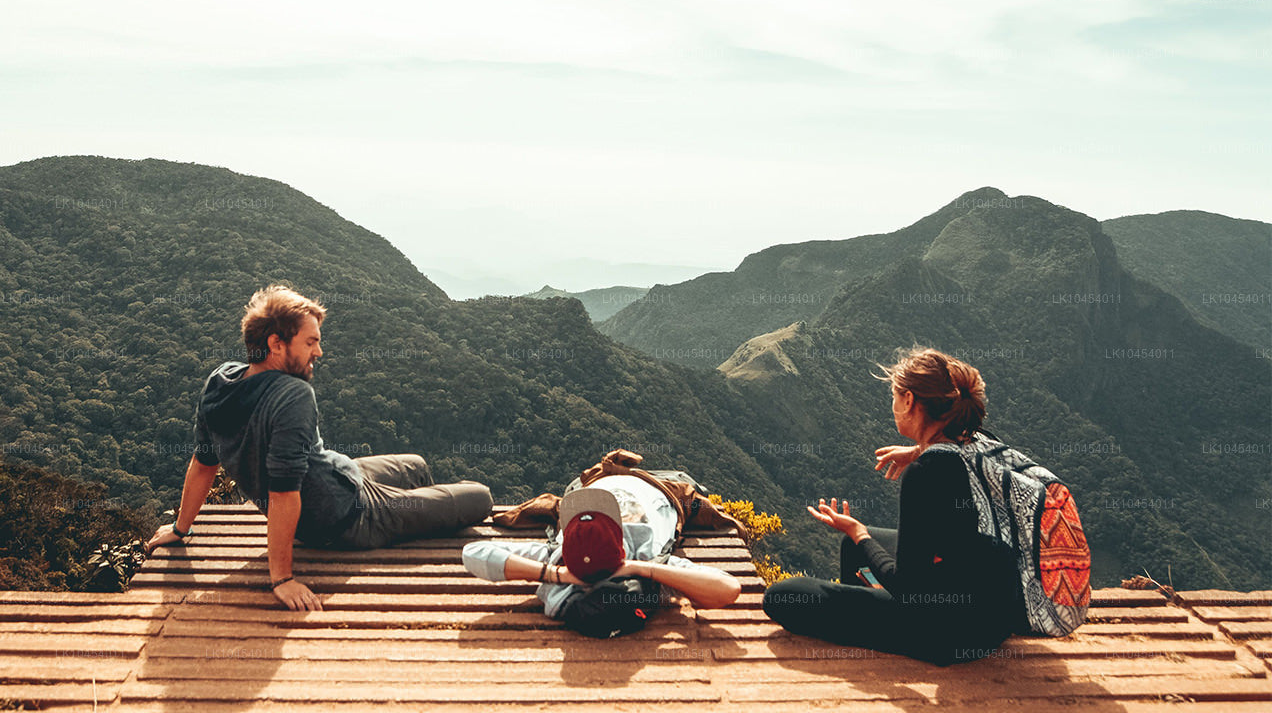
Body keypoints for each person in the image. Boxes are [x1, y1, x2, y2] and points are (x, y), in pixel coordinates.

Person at [145, 284, 493, 611]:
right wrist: (282, 578)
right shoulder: (292, 395)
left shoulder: (220, 381)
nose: (319, 352)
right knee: (480, 497)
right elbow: (282, 492)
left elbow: (204, 462)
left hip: (339, 476)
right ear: (277, 344)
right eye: (310, 343)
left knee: (415, 464)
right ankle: (417, 516)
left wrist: (180, 528)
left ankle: (422, 512)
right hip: (345, 517)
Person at [762, 347, 1020, 665]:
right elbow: (953, 460)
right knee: (852, 545)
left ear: (909, 400)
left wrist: (858, 531)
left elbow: (909, 589)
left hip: (952, 634)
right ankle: (872, 616)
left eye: (895, 397)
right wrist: (918, 450)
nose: (894, 405)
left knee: (783, 596)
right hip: (996, 615)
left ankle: (880, 626)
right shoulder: (980, 441)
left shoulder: (925, 473)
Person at [462, 474, 742, 620]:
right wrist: (639, 568)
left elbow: (472, 553)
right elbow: (728, 589)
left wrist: (555, 574)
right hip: (659, 486)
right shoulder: (646, 555)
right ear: (620, 539)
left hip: (588, 483)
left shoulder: (558, 557)